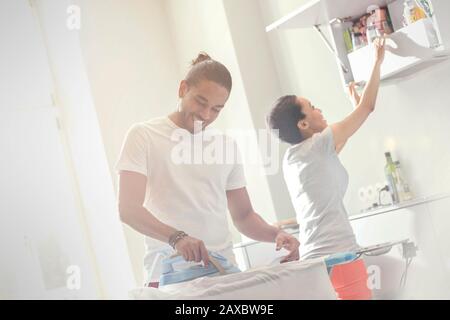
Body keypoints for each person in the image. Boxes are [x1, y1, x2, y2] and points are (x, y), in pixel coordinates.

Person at [116, 52, 299, 287]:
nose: (205, 115)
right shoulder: (144, 136)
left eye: (216, 109)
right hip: (169, 278)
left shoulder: (226, 146)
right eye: (200, 102)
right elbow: (128, 209)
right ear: (183, 89)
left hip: (222, 274)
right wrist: (177, 238)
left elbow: (244, 216)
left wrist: (276, 235)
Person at [267, 37, 386, 299]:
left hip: (315, 262)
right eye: (311, 107)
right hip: (338, 255)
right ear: (303, 125)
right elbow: (368, 108)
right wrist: (376, 61)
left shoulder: (295, 158)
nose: (319, 109)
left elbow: (343, 138)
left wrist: (354, 105)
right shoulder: (318, 147)